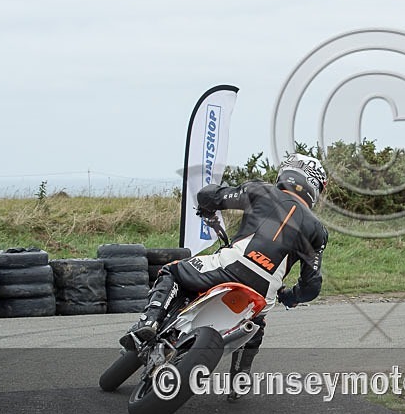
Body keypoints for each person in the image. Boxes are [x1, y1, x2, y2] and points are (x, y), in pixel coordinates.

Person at [119, 153, 329, 401]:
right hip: (264, 291)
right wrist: (290, 297)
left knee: (172, 270)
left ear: (286, 172)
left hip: (230, 267)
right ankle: (240, 379)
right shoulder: (318, 231)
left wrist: (207, 207)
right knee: (256, 324)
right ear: (315, 187)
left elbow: (208, 195)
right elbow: (311, 286)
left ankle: (149, 322)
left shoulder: (261, 191)